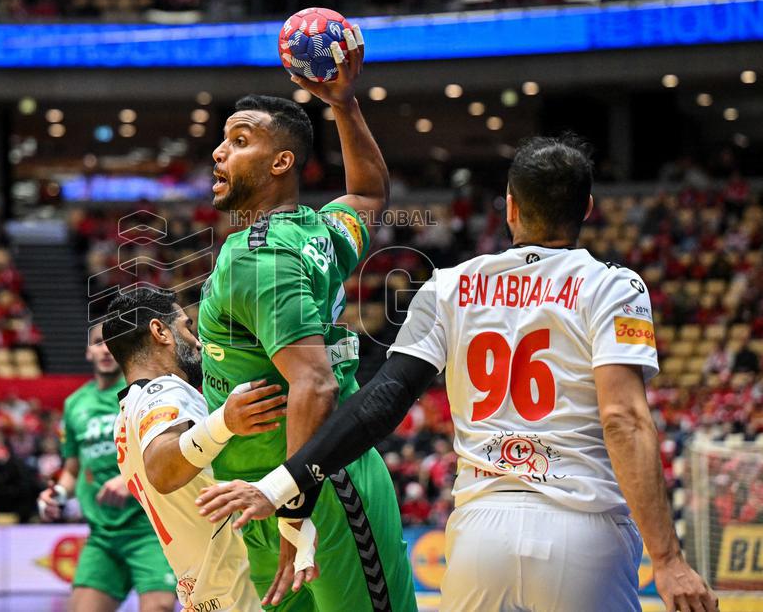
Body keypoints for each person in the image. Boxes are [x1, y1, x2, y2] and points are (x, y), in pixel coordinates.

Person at [197, 135, 719, 612]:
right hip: (582, 527)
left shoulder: (449, 286)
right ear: (586, 208)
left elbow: (382, 402)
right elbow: (624, 419)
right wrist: (668, 559)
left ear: (510, 207)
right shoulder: (614, 287)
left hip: (479, 534)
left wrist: (282, 483)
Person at [196, 25, 417, 611]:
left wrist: (295, 513)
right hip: (265, 497)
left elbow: (314, 383)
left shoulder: (262, 256)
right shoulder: (321, 231)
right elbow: (369, 192)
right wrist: (342, 104)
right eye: (223, 140)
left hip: (315, 494)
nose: (220, 152)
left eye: (240, 141)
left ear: (281, 163)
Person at [105, 287, 300, 611]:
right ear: (159, 331)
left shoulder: (125, 417)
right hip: (239, 592)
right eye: (187, 327)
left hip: (204, 594)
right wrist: (225, 421)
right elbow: (162, 470)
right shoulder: (163, 390)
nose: (197, 341)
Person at [37, 321, 175, 612]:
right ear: (88, 351)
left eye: (113, 342)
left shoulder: (144, 393)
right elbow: (73, 468)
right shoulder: (75, 404)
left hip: (149, 530)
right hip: (103, 535)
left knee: (159, 607)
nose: (106, 348)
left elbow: (170, 455)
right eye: (99, 342)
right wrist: (58, 495)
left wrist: (131, 480)